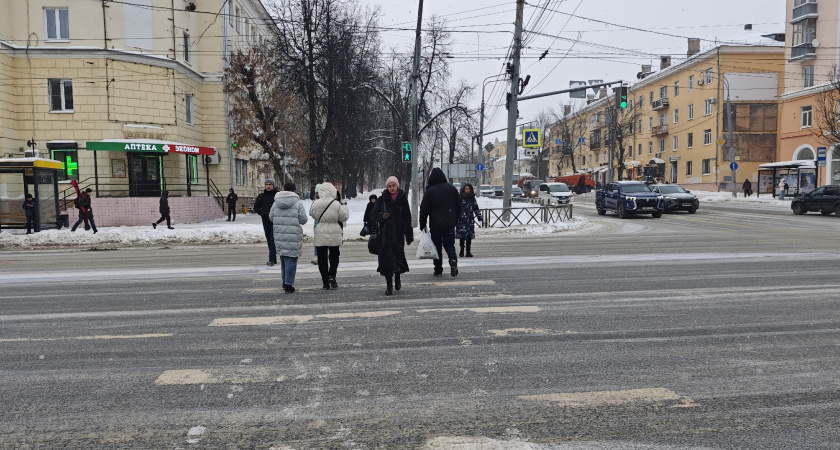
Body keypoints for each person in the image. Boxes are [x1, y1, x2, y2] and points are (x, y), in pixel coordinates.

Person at [371, 176, 413, 295]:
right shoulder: (382, 199)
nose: (391, 188)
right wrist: (382, 215)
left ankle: (398, 277)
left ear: (397, 186)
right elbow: (373, 214)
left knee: (398, 257)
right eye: (389, 186)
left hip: (398, 233)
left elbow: (407, 217)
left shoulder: (402, 199)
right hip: (385, 234)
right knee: (386, 259)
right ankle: (389, 284)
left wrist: (408, 235)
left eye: (393, 185)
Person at [419, 167, 461, 278]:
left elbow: (424, 210)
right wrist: (456, 219)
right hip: (449, 224)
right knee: (450, 245)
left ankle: (438, 270)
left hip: (435, 224)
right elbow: (458, 206)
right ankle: (452, 260)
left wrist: (423, 224)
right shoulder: (452, 189)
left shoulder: (430, 191)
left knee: (437, 247)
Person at [269, 182, 308, 294]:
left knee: (283, 259)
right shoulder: (297, 203)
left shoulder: (276, 202)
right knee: (291, 259)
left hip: (279, 234)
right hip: (293, 235)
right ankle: (288, 284)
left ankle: (284, 281)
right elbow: (303, 220)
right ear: (294, 190)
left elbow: (271, 217)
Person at [310, 182, 349, 290]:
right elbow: (344, 217)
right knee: (334, 256)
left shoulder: (316, 203)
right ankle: (332, 275)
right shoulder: (336, 204)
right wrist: (344, 205)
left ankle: (325, 282)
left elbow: (314, 215)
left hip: (321, 232)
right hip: (334, 232)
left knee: (322, 259)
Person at [253, 180, 279, 265]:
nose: (268, 186)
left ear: (273, 185)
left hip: (275, 221)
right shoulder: (262, 196)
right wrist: (262, 213)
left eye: (270, 184)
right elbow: (256, 207)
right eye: (267, 184)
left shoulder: (277, 195)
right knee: (269, 239)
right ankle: (273, 258)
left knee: (272, 239)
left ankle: (271, 259)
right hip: (266, 220)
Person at [456, 183, 481, 258]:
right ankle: (462, 250)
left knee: (469, 236)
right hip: (461, 220)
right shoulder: (460, 198)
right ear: (463, 189)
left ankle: (468, 251)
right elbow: (456, 208)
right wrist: (455, 217)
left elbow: (476, 208)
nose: (467, 190)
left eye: (469, 188)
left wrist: (479, 216)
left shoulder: (472, 198)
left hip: (469, 220)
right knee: (462, 236)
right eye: (466, 188)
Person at [309, 183, 322, 265]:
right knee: (318, 242)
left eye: (318, 193)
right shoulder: (315, 202)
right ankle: (317, 256)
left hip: (321, 225)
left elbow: (311, 212)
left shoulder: (325, 202)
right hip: (317, 226)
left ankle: (319, 256)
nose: (317, 194)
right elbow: (310, 212)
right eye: (316, 193)